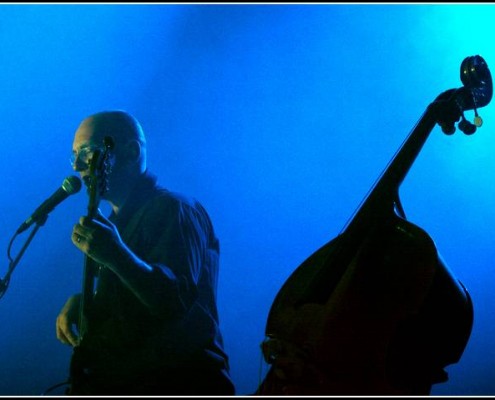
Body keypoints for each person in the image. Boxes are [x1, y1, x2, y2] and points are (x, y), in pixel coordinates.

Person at [55, 110, 235, 396]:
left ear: (130, 151)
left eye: (88, 152)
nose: (77, 165)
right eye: (74, 155)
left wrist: (116, 255)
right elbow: (137, 306)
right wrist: (90, 303)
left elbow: (174, 302)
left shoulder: (175, 209)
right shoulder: (115, 223)